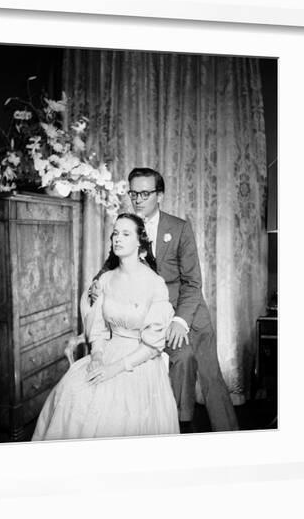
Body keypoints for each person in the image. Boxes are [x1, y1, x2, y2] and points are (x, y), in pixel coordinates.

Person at [91, 168, 238, 432]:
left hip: (186, 309)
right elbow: (114, 262)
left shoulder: (179, 228)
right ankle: (177, 423)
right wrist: (97, 280)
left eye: (145, 193)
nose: (138, 199)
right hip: (150, 313)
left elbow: (193, 282)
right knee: (182, 358)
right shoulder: (128, 226)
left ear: (160, 195)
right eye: (133, 192)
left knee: (209, 373)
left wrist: (180, 320)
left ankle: (230, 437)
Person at [32, 213, 179, 441]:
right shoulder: (106, 280)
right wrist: (98, 356)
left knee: (121, 412)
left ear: (140, 241)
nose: (117, 239)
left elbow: (153, 345)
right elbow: (98, 329)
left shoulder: (155, 284)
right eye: (115, 233)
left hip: (140, 359)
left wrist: (114, 368)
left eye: (126, 234)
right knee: (72, 392)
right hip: (108, 350)